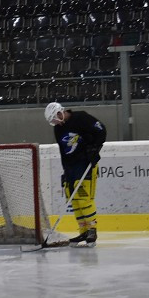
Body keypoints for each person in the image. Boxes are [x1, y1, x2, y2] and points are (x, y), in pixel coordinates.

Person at [45, 102, 106, 246]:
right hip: (70, 167)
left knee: (84, 197)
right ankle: (83, 231)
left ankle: (92, 229)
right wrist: (65, 171)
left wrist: (95, 149)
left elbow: (101, 130)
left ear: (60, 113)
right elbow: (63, 151)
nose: (55, 123)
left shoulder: (81, 118)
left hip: (85, 163)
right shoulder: (58, 129)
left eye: (55, 119)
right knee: (74, 200)